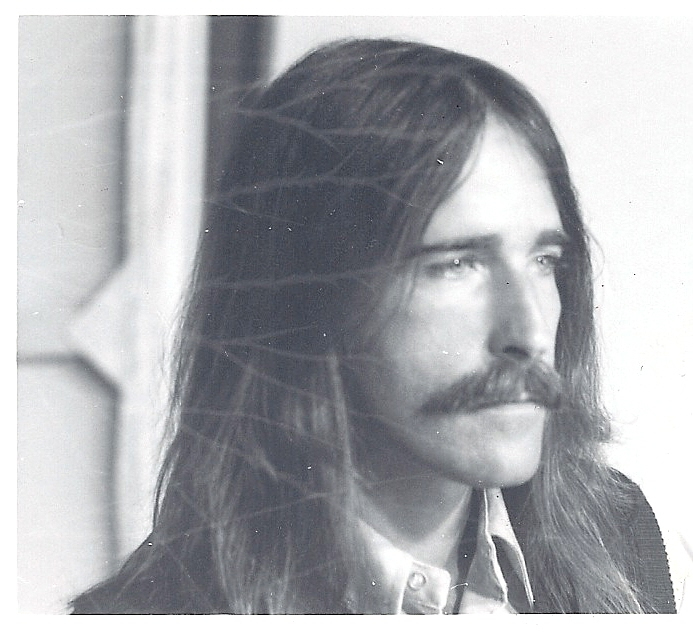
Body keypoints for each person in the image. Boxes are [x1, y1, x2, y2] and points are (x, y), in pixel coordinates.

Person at [71, 38, 677, 614]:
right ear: (307, 293)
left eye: (544, 261)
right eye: (456, 264)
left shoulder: (628, 541)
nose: (531, 333)